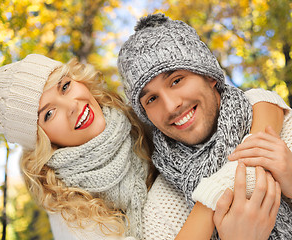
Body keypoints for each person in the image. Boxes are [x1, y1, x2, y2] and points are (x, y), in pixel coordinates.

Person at [0, 54, 281, 240]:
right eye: (48, 114)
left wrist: (251, 160)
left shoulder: (134, 116)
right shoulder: (72, 213)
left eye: (65, 86)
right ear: (40, 140)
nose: (72, 106)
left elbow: (250, 102)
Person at [117, 13, 292, 239]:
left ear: (209, 76)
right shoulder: (161, 210)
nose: (171, 106)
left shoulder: (283, 132)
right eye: (151, 99)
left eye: (176, 80)